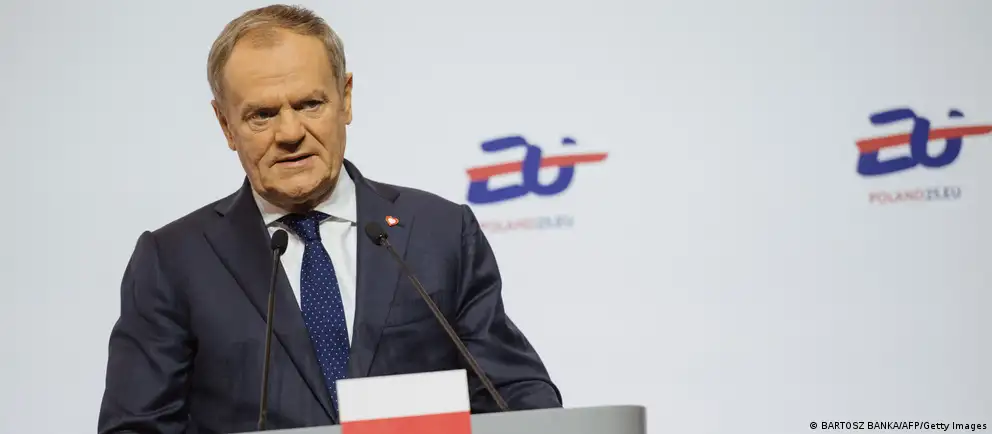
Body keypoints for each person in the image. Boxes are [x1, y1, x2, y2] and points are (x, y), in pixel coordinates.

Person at [97, 4, 561, 433]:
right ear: (225, 125)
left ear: (346, 98)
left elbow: (515, 396)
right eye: (262, 115)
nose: (290, 133)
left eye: (309, 104)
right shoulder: (173, 261)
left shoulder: (438, 232)